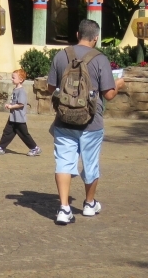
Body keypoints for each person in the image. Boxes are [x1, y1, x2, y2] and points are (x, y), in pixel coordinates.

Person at [46, 19, 122, 224]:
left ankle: (63, 208)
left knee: (63, 162)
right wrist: (119, 84)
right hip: (91, 122)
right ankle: (89, 204)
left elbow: (50, 88)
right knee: (90, 163)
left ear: (77, 34)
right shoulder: (100, 59)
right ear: (95, 38)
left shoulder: (61, 56)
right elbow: (109, 95)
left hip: (64, 120)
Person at [0, 68, 40, 157]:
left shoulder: (21, 91)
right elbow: (14, 101)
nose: (12, 79)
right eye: (12, 77)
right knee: (7, 132)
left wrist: (11, 106)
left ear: (21, 80)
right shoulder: (15, 90)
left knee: (24, 134)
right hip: (13, 117)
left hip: (19, 118)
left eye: (13, 78)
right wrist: (10, 104)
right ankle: (1, 147)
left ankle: (34, 148)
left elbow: (21, 104)